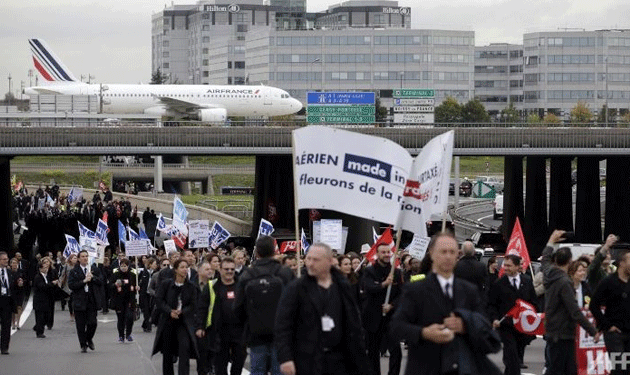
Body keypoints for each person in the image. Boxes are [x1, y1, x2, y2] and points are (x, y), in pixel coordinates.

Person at [391, 232, 502, 375]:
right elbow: (396, 326)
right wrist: (424, 333)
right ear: (431, 254)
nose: (448, 256)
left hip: (461, 366)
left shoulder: (469, 291)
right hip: (425, 366)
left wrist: (465, 325)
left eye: (452, 252)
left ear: (458, 255)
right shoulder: (415, 290)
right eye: (443, 252)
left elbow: (484, 325)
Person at [275, 243, 370, 375]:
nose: (310, 264)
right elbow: (283, 325)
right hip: (307, 360)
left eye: (316, 260)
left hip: (338, 360)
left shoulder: (342, 287)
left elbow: (353, 323)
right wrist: (285, 358)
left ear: (329, 261)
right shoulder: (296, 288)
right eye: (308, 259)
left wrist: (360, 357)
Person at [234, 235, 294, 375]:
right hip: (280, 334)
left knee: (257, 370)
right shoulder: (284, 272)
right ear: (274, 251)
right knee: (278, 370)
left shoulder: (248, 274)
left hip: (255, 333)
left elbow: (238, 306)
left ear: (257, 252)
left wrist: (246, 326)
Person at [542, 230, 600, 375]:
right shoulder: (564, 282)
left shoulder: (549, 274)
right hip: (562, 334)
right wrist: (592, 331)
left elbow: (545, 258)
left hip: (553, 331)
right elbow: (574, 310)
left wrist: (551, 241)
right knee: (560, 370)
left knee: (564, 369)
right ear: (570, 262)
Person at [487, 255, 537, 375]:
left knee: (516, 358)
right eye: (505, 265)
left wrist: (535, 317)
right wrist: (494, 318)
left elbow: (533, 302)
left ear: (517, 266)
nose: (505, 268)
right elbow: (491, 304)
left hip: (523, 326)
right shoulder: (499, 283)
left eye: (509, 265)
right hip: (506, 326)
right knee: (511, 354)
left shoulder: (527, 281)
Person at [361, 244, 404, 375]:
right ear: (377, 254)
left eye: (388, 252)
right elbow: (369, 288)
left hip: (391, 318)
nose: (386, 254)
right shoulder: (369, 271)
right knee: (373, 352)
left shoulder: (396, 272)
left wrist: (392, 305)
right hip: (373, 318)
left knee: (396, 350)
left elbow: (402, 294)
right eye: (383, 252)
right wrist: (384, 284)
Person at [152, 259, 199, 375]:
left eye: (186, 267)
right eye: (182, 267)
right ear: (176, 270)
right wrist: (169, 311)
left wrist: (182, 312)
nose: (185, 270)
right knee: (167, 352)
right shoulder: (166, 284)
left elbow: (193, 304)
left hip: (183, 323)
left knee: (184, 349)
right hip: (168, 321)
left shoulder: (191, 286)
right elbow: (159, 300)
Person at [590, 245, 630, 375]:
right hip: (615, 334)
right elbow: (593, 305)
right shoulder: (609, 282)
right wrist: (607, 325)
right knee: (620, 368)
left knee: (627, 368)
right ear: (621, 263)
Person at [213, 257, 247, 375]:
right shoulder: (213, 286)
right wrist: (200, 326)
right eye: (226, 269)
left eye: (232, 269)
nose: (229, 271)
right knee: (220, 364)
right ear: (220, 269)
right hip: (220, 331)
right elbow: (203, 307)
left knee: (239, 361)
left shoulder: (242, 286)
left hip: (239, 330)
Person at [68, 250, 103, 353]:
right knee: (80, 325)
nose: (85, 258)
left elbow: (101, 281)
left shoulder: (93, 269)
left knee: (93, 323)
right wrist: (84, 281)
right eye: (82, 256)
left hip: (91, 300)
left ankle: (89, 338)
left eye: (86, 256)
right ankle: (83, 344)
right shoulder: (74, 271)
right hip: (79, 301)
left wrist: (93, 278)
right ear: (78, 259)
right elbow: (71, 285)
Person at [110, 258, 137, 343]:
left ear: (128, 266)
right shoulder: (116, 274)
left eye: (125, 266)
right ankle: (121, 335)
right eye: (122, 266)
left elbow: (136, 284)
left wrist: (137, 288)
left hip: (130, 299)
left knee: (129, 317)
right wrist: (115, 284)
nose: (123, 268)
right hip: (119, 300)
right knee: (121, 319)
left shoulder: (132, 275)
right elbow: (110, 286)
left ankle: (128, 334)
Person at [33, 258, 59, 338]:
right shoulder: (38, 277)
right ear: (40, 269)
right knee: (40, 317)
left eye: (46, 268)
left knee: (46, 316)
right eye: (44, 268)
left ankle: (38, 327)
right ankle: (39, 332)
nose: (46, 269)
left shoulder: (47, 276)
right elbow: (42, 286)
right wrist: (52, 283)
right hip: (39, 300)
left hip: (46, 300)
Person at [139, 257, 157, 332]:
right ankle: (148, 326)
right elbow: (139, 282)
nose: (156, 265)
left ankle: (145, 324)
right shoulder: (143, 273)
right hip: (145, 294)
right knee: (146, 310)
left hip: (153, 294)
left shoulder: (156, 273)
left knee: (151, 310)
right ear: (150, 264)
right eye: (154, 264)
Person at [9, 258, 25, 330]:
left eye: (16, 263)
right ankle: (13, 323)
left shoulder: (21, 272)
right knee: (13, 308)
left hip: (20, 291)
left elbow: (25, 279)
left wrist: (22, 282)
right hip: (12, 291)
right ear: (11, 264)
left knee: (19, 307)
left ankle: (18, 323)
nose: (15, 265)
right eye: (13, 263)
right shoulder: (9, 272)